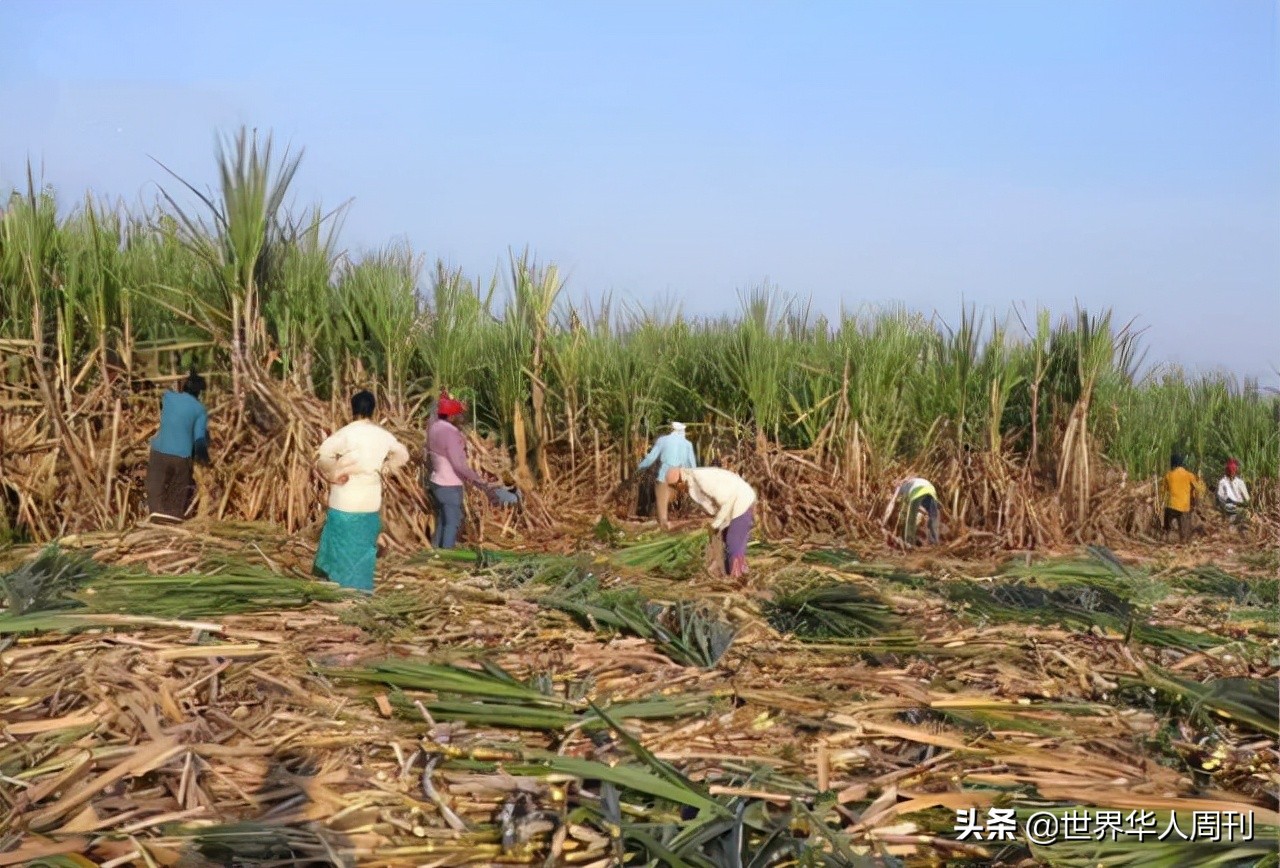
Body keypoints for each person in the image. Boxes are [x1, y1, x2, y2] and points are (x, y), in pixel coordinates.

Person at [313, 390, 409, 592]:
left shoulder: (346, 434)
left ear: (352, 409)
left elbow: (323, 454)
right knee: (363, 546)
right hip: (369, 500)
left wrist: (334, 472)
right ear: (373, 410)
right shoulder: (383, 436)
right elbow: (402, 455)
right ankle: (357, 588)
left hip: (344, 498)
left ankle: (335, 584)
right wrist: (384, 470)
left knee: (341, 542)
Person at [425, 391, 497, 549]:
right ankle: (447, 557)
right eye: (459, 415)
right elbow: (459, 463)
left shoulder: (434, 427)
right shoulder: (450, 432)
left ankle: (436, 554)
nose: (462, 419)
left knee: (443, 521)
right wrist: (477, 479)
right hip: (449, 484)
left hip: (436, 482)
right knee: (452, 523)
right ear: (451, 417)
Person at [665, 466, 755, 578]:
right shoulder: (692, 486)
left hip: (741, 501)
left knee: (733, 542)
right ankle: (731, 575)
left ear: (680, 479)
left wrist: (716, 524)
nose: (677, 490)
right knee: (725, 543)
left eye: (675, 486)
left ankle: (740, 579)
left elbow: (728, 500)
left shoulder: (702, 479)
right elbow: (712, 506)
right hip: (729, 508)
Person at [147, 369, 210, 521]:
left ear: (184, 386)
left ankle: (155, 511)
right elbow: (199, 439)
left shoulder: (169, 397)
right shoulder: (200, 410)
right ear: (199, 393)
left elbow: (158, 386)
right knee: (179, 486)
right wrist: (205, 460)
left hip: (159, 452)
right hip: (181, 457)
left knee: (155, 483)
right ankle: (173, 514)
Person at [637, 422, 698, 530]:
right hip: (680, 475)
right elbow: (692, 465)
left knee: (662, 499)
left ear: (672, 430)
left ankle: (663, 522)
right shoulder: (688, 444)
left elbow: (651, 458)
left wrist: (639, 467)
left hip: (666, 473)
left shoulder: (663, 440)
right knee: (674, 495)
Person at [882, 477, 940, 548]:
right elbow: (920, 507)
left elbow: (895, 503)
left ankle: (909, 543)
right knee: (933, 518)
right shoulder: (913, 481)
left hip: (918, 491)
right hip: (931, 490)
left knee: (911, 519)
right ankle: (934, 543)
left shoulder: (901, 486)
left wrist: (884, 522)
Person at [1161, 454, 1206, 543]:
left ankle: (1166, 532)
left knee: (1167, 517)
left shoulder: (1168, 475)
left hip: (1171, 506)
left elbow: (1163, 491)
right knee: (1185, 527)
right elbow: (1199, 488)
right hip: (1184, 506)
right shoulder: (1189, 475)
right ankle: (1184, 541)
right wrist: (1201, 483)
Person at [1216, 458, 1250, 526]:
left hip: (1235, 507)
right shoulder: (1223, 482)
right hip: (1230, 507)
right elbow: (1220, 497)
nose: (1232, 473)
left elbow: (1247, 498)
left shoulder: (1239, 482)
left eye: (1233, 471)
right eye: (1230, 471)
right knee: (1244, 514)